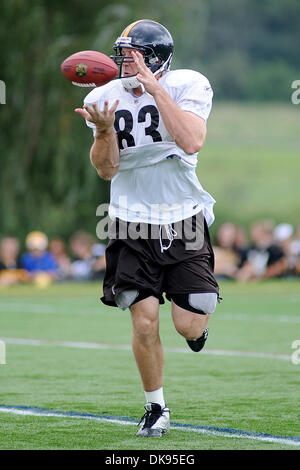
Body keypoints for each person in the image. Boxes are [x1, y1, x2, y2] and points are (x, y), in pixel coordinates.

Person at [75, 19, 219, 438]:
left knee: (189, 324)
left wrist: (154, 89)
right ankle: (155, 407)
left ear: (157, 60)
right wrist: (103, 130)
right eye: (122, 56)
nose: (125, 64)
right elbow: (106, 170)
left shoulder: (187, 84)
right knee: (143, 321)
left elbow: (191, 141)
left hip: (184, 216)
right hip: (130, 219)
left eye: (134, 56)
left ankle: (199, 325)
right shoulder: (104, 97)